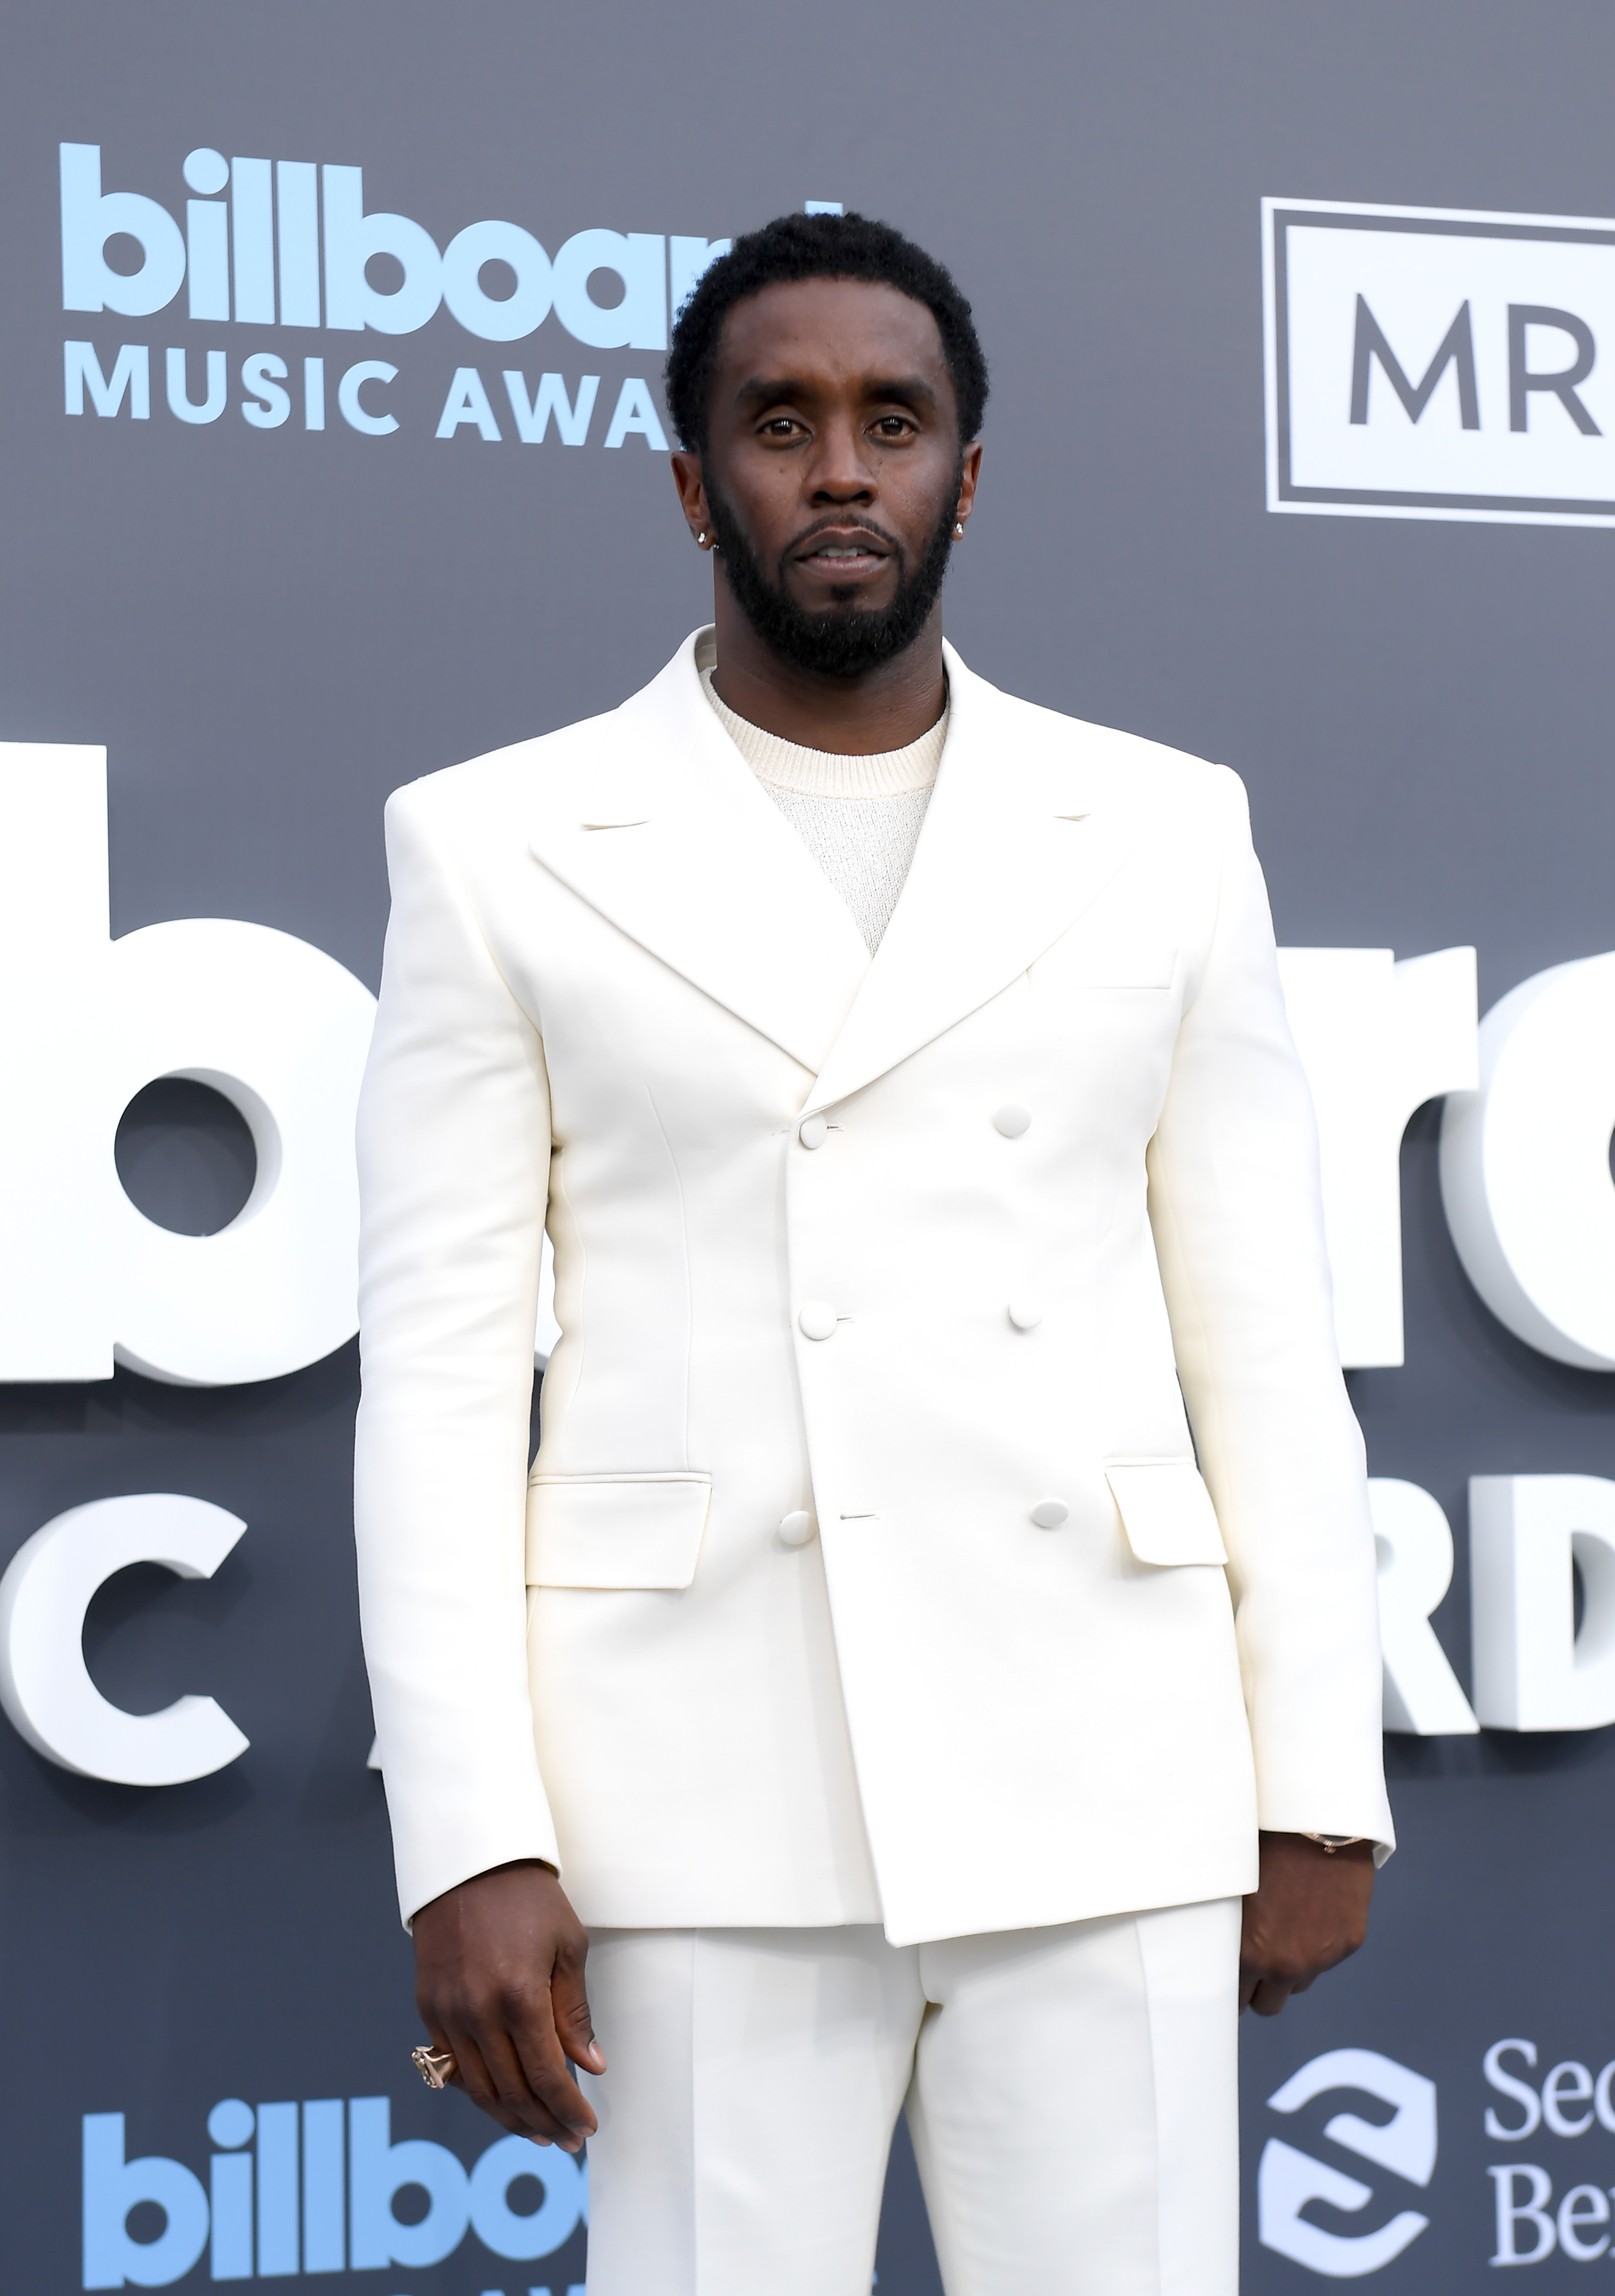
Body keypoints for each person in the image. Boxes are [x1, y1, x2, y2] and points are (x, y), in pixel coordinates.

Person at [354, 211, 1392, 2296]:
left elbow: (1262, 1338)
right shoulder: (494, 844)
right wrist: (475, 1829)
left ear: (965, 478)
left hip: (1100, 1769)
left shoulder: (1165, 825)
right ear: (689, 482)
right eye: (780, 421)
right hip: (702, 1793)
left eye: (891, 422)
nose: (840, 470)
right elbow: (444, 1379)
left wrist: (1316, 1780)